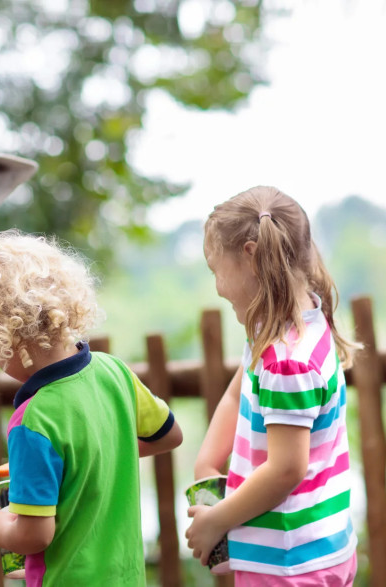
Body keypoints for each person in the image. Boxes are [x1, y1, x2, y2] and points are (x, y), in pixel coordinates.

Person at [0, 230, 183, 586]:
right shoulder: (114, 371)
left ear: (8, 339)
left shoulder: (33, 421)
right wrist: (84, 463)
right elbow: (170, 436)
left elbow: (35, 535)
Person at [186, 186, 359, 585]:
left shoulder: (286, 361)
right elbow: (237, 391)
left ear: (249, 256)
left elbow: (286, 468)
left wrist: (216, 520)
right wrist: (206, 463)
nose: (217, 287)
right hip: (316, 549)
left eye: (217, 271)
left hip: (290, 566)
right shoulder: (290, 324)